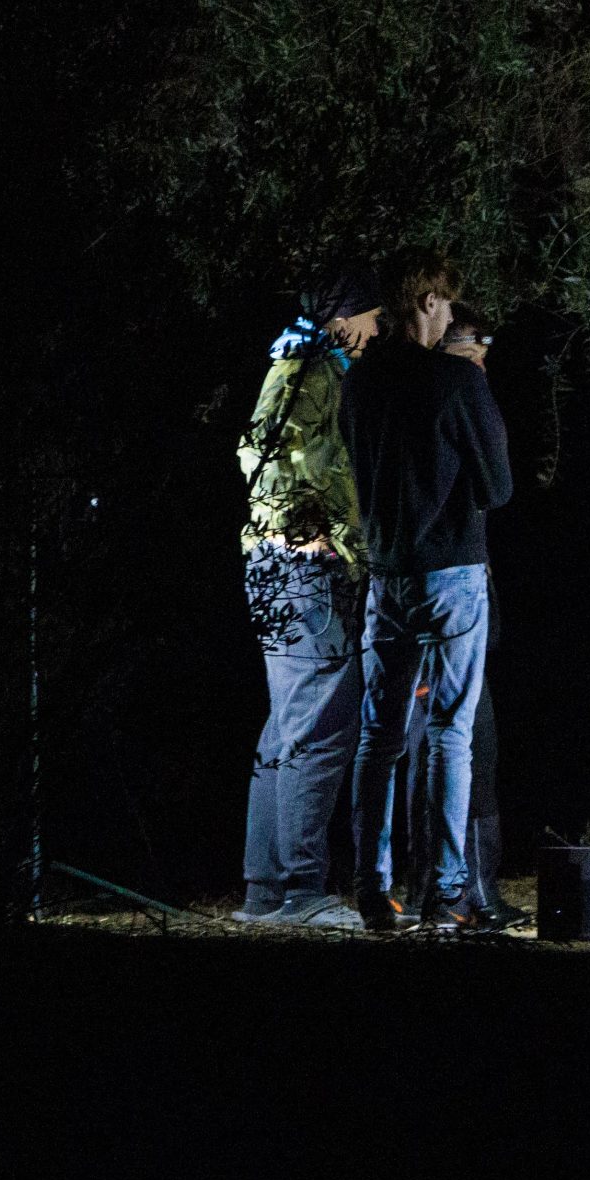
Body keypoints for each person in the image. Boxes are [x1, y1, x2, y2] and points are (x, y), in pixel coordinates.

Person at [339, 249, 513, 934]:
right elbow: (498, 485)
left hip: (386, 573)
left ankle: (371, 889)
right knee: (450, 733)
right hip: (452, 572)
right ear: (429, 301)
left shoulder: (359, 382)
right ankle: (446, 891)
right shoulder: (456, 380)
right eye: (445, 305)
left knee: (379, 737)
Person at [234, 264, 382, 929]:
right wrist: (310, 533)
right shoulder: (310, 372)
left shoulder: (299, 365)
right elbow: (267, 452)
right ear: (344, 319)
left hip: (279, 568)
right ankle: (301, 890)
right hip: (303, 572)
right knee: (321, 726)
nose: (377, 331)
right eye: (373, 318)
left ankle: (266, 892)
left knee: (286, 727)